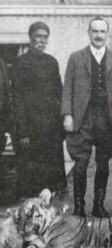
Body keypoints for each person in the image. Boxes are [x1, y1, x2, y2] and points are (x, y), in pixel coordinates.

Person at [61, 17, 112, 217]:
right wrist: (67, 114)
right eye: (95, 31)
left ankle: (98, 205)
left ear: (107, 34)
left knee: (104, 162)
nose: (99, 35)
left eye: (102, 32)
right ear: (89, 33)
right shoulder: (76, 58)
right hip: (83, 118)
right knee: (80, 163)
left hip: (107, 119)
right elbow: (67, 89)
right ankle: (79, 206)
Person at [12, 21, 67, 200]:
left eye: (45, 37)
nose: (42, 40)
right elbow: (18, 100)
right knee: (31, 180)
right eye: (38, 36)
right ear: (30, 38)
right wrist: (22, 132)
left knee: (51, 180)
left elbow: (59, 95)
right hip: (31, 132)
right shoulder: (20, 63)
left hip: (50, 131)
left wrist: (60, 126)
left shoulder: (52, 62)